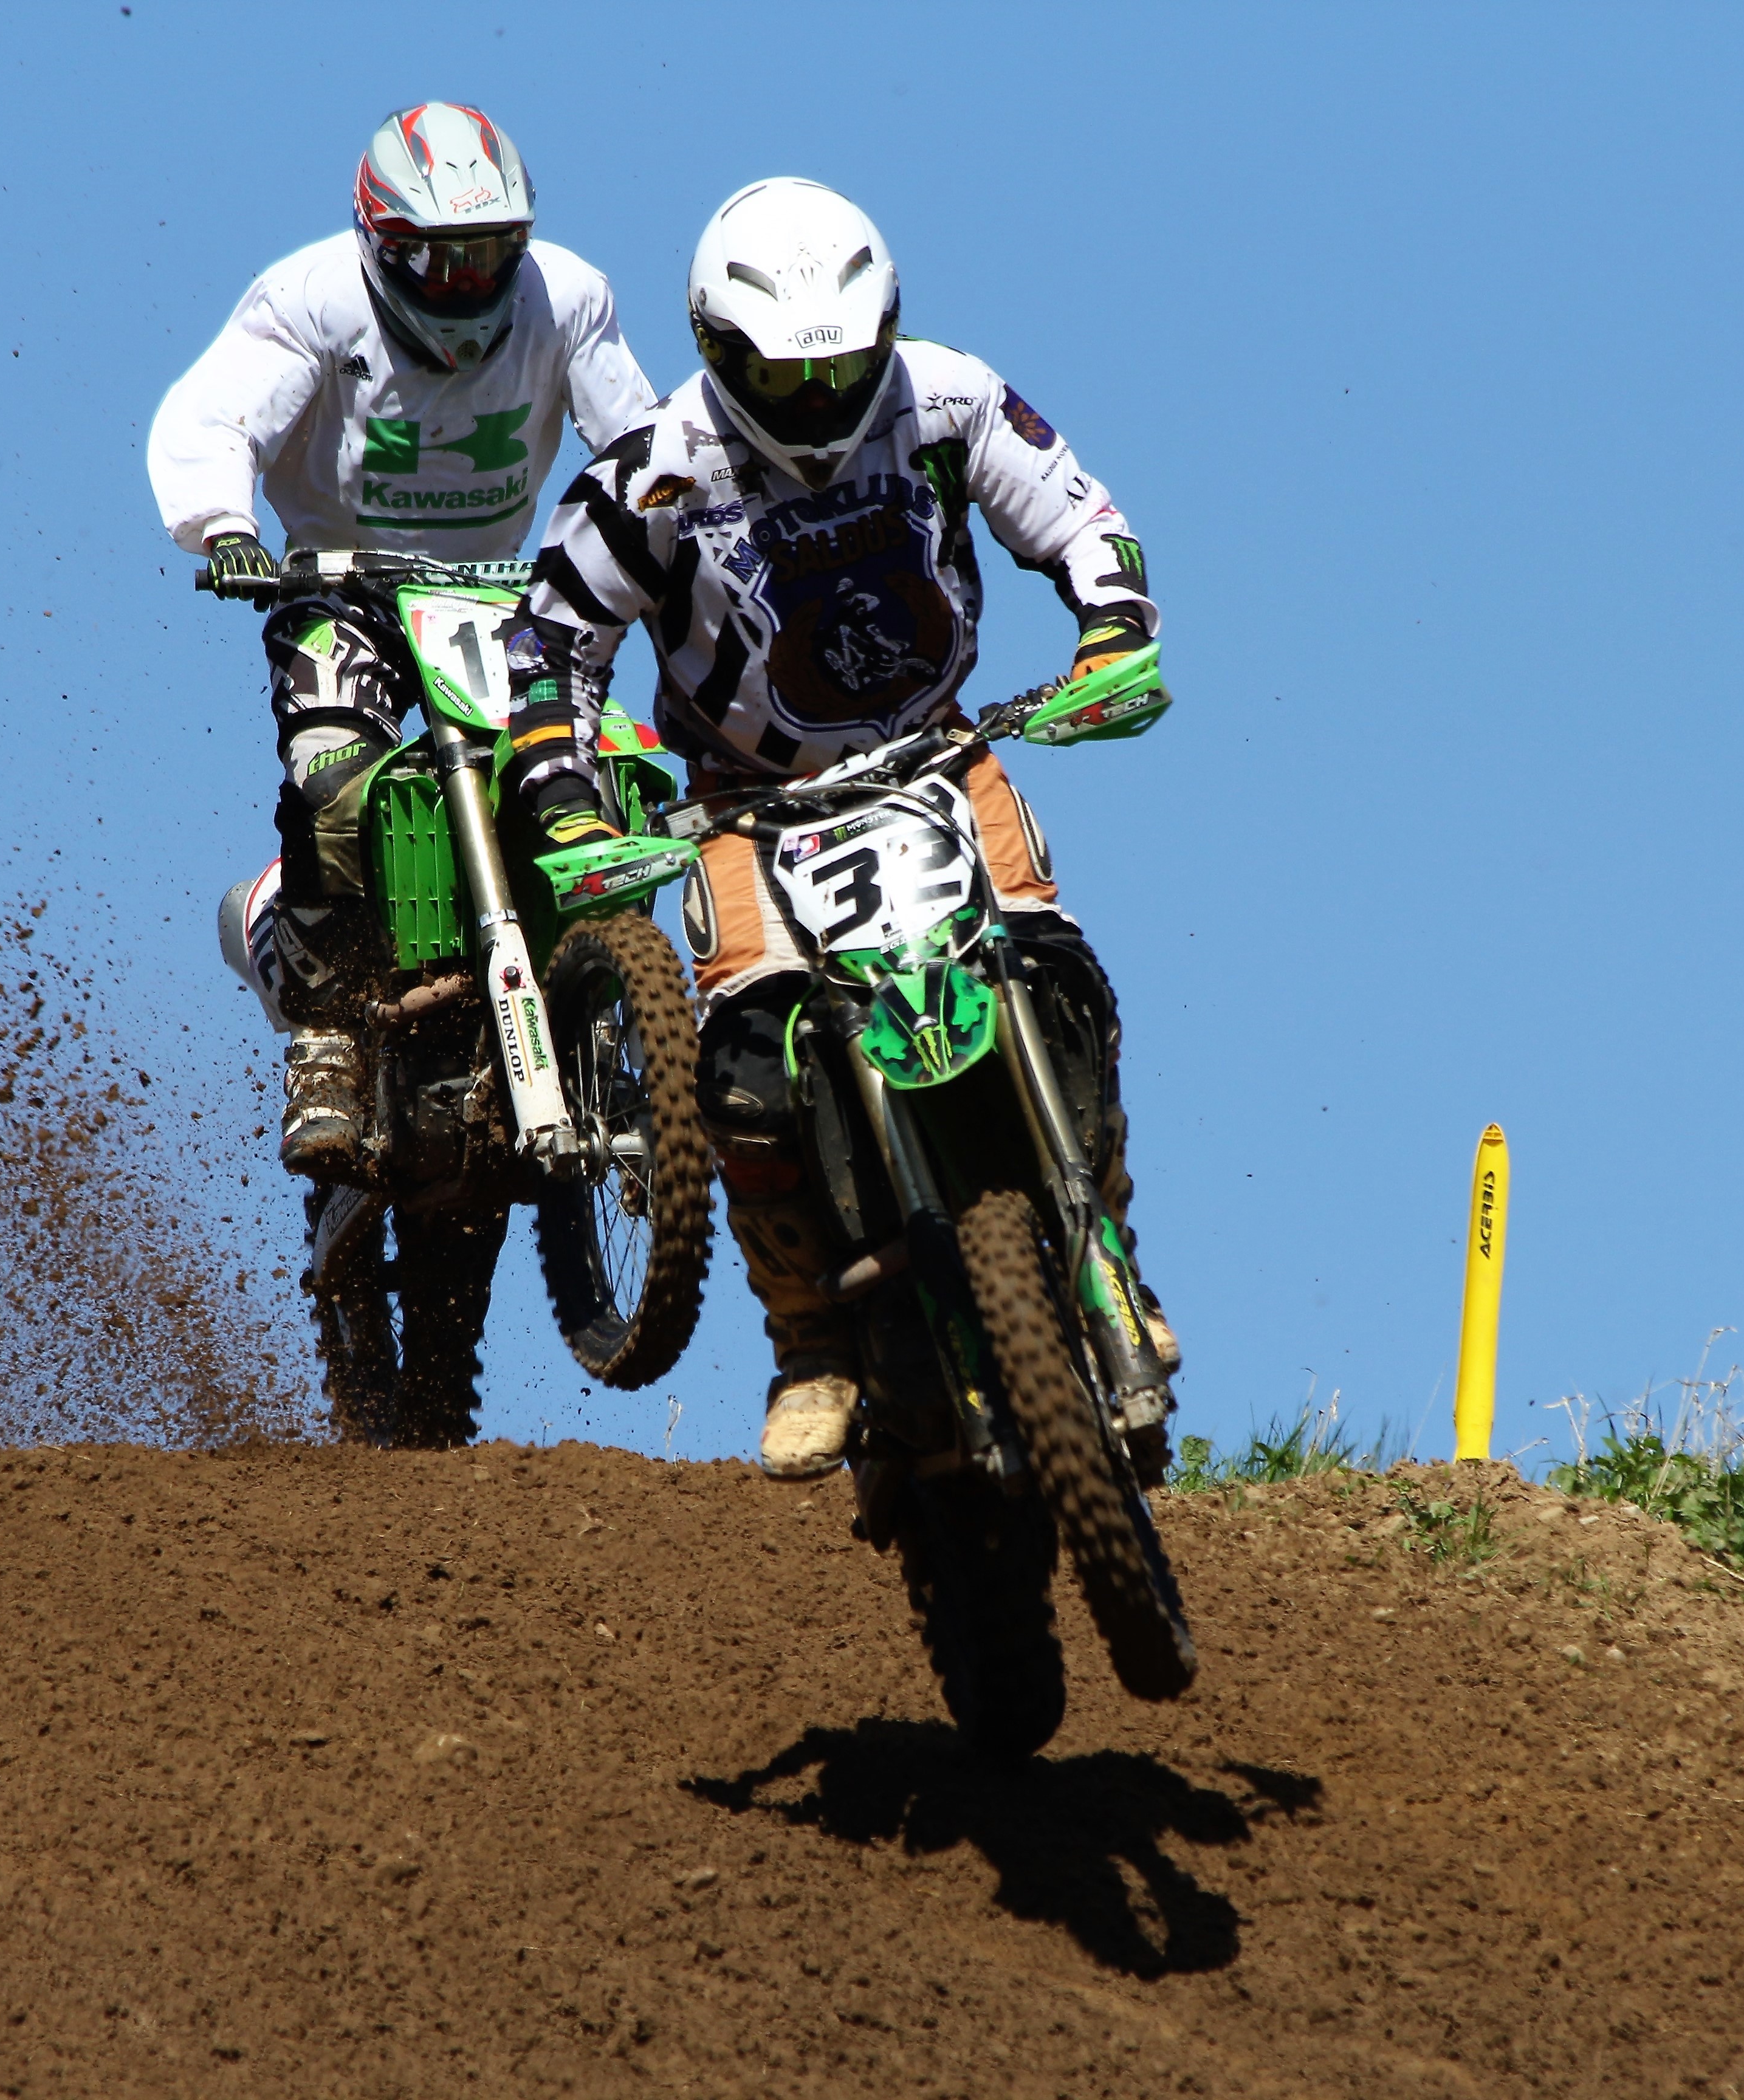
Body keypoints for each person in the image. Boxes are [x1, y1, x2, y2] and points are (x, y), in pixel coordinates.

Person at [500, 177, 1173, 1482]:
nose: (817, 402)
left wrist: (1114, 630)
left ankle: (1109, 1262)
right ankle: (809, 1342)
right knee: (747, 1069)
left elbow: (1080, 514)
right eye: (783, 376)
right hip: (744, 801)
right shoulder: (650, 470)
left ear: (886, 331)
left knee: (1060, 983)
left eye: (840, 369)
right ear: (716, 347)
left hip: (939, 750)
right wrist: (562, 797)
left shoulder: (948, 398)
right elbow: (549, 646)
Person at [146, 101, 654, 1176]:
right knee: (334, 782)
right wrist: (225, 524)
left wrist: (680, 536)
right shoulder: (312, 298)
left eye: (490, 252)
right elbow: (215, 416)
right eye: (438, 257)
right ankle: (326, 1037)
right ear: (380, 241)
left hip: (505, 594)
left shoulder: (568, 297)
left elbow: (645, 450)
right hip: (345, 586)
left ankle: (601, 1006)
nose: (467, 281)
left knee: (591, 768)